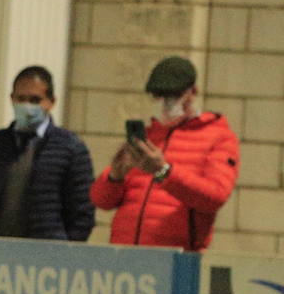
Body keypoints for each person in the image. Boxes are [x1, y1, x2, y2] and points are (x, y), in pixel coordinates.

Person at [89, 56, 239, 252]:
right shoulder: (148, 136)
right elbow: (101, 201)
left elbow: (215, 197)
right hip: (125, 254)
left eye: (172, 96)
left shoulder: (218, 137)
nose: (165, 103)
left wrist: (164, 171)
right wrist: (114, 176)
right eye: (158, 96)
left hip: (176, 258)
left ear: (192, 93)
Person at [0, 65, 95, 241]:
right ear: (12, 99)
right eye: (21, 98)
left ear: (51, 102)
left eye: (35, 100)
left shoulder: (70, 147)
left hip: (45, 256)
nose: (27, 106)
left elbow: (83, 212)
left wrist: (65, 253)